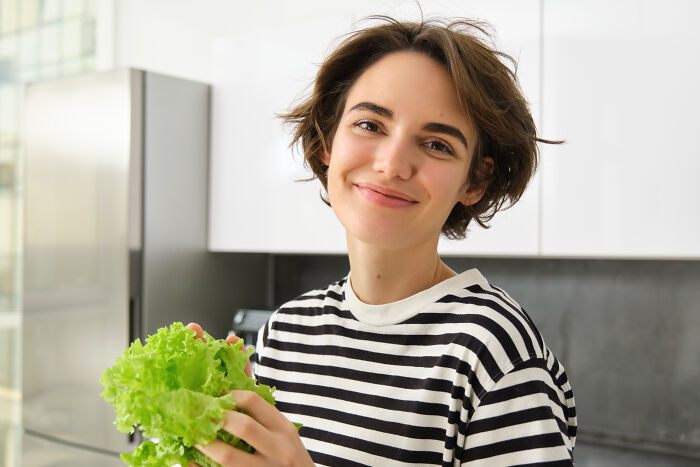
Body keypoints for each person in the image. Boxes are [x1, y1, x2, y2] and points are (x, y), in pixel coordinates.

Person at [191, 16, 576, 466]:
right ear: (326, 143)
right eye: (370, 125)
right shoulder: (285, 333)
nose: (392, 165)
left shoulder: (494, 355)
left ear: (475, 181)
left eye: (436, 144)